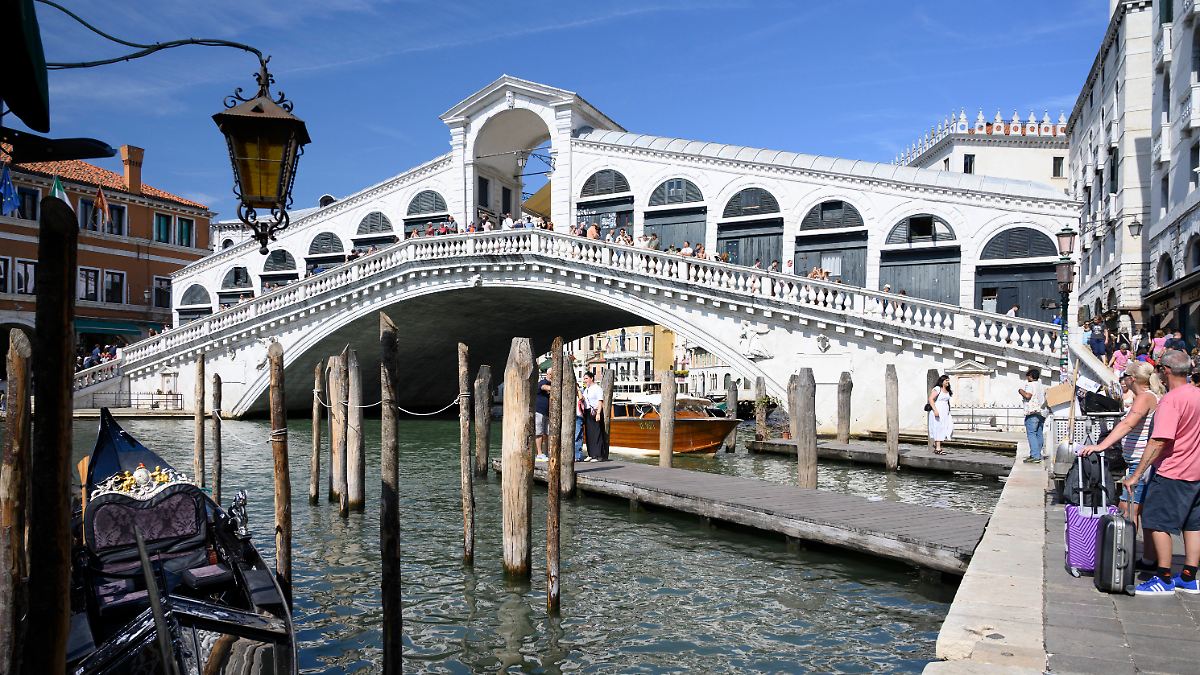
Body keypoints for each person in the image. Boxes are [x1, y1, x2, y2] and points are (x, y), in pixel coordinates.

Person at [1120, 349, 1200, 595]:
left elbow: (1158, 441)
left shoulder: (1171, 401)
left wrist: (1136, 474)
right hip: (1196, 472)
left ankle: (1164, 578)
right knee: (1192, 524)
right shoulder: (1197, 395)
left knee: (1156, 522)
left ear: (1165, 371)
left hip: (1172, 471)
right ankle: (1188, 576)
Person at [1081, 360, 1163, 573]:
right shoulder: (1146, 397)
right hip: (1136, 462)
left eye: (1125, 376)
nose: (1123, 380)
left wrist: (1101, 446)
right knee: (1138, 511)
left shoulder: (1145, 398)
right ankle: (1147, 558)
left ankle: (1125, 556)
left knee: (1129, 510)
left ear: (1132, 379)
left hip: (1140, 463)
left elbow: (1128, 424)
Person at [1018, 367, 1047, 463]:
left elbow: (1028, 396)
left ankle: (1035, 456)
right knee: (1039, 434)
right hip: (1042, 412)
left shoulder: (1030, 385)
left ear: (1030, 376)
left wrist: (1020, 391)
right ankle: (1037, 454)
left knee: (1031, 434)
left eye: (1027, 376)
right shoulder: (1041, 385)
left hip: (1032, 412)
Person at [581, 370, 608, 461]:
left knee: (596, 433)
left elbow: (600, 401)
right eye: (584, 379)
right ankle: (591, 454)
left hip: (596, 411)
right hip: (588, 412)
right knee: (589, 434)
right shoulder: (586, 389)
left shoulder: (597, 388)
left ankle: (597, 455)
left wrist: (598, 413)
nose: (585, 380)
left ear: (591, 378)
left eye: (586, 378)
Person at [927, 375, 953, 455]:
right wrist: (935, 410)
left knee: (948, 427)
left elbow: (947, 401)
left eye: (948, 380)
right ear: (942, 381)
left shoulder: (948, 390)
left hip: (945, 411)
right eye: (946, 380)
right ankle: (938, 448)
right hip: (938, 410)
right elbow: (930, 399)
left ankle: (937, 444)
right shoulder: (938, 389)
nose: (947, 382)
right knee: (938, 428)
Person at [534, 368, 553, 461]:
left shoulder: (552, 383)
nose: (552, 377)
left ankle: (545, 453)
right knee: (539, 433)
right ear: (547, 374)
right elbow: (544, 387)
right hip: (539, 412)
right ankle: (539, 453)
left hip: (547, 413)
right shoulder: (543, 382)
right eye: (551, 375)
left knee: (547, 433)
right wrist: (556, 387)